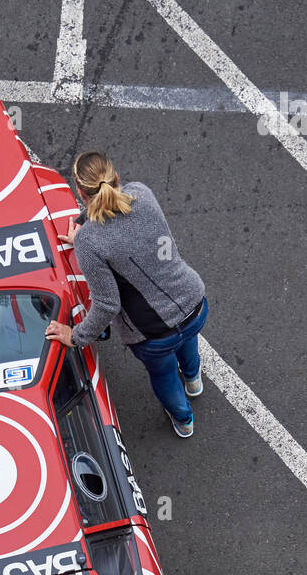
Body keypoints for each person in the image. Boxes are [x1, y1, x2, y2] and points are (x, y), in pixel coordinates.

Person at [45, 150, 208, 438]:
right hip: (194, 304)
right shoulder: (142, 194)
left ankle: (184, 420)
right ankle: (194, 380)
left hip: (152, 335)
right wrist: (85, 228)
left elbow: (108, 304)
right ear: (116, 177)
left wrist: (76, 336)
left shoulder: (90, 241)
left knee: (164, 375)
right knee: (188, 341)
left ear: (80, 193)